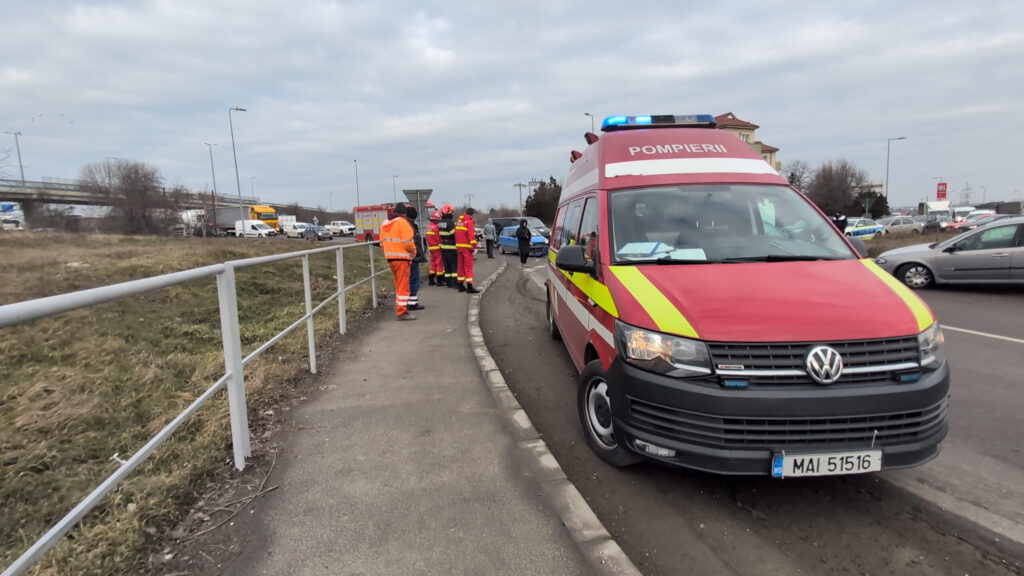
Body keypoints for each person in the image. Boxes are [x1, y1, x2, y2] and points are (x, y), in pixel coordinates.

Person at [379, 203, 417, 320]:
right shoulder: (402, 223)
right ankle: (402, 312)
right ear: (404, 213)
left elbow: (381, 242)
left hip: (391, 258)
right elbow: (408, 242)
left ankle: (400, 308)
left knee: (398, 285)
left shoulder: (385, 224)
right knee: (403, 286)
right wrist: (414, 252)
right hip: (402, 258)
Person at [454, 207, 480, 293]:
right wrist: (475, 246)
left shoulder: (459, 222)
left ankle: (460, 285)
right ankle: (469, 287)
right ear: (472, 214)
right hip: (467, 248)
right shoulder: (469, 222)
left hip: (459, 247)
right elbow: (471, 236)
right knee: (468, 268)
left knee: (460, 267)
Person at [405, 205, 425, 310]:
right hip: (411, 258)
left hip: (404, 258)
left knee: (409, 280)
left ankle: (409, 302)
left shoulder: (404, 224)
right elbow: (413, 243)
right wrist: (416, 255)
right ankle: (412, 303)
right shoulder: (410, 226)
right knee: (414, 280)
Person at [437, 204, 458, 288]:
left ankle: (448, 283)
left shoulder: (440, 222)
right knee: (454, 266)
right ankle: (455, 283)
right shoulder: (450, 222)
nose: (452, 214)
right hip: (451, 247)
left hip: (443, 247)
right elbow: (454, 234)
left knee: (447, 266)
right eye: (451, 212)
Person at [425, 209, 443, 286]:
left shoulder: (428, 226)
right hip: (437, 247)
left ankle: (431, 279)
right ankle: (439, 280)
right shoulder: (436, 227)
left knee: (432, 263)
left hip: (431, 247)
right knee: (439, 264)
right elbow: (438, 238)